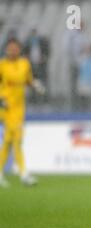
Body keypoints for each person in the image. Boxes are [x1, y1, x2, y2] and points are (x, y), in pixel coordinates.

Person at [0, 38, 45, 187]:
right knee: (17, 141)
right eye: (10, 48)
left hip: (19, 108)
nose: (12, 50)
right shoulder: (2, 65)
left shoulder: (25, 64)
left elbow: (28, 80)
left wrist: (36, 85)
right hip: (6, 107)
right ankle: (24, 174)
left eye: (15, 48)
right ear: (6, 50)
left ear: (19, 49)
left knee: (7, 142)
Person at [23, 28, 51, 103]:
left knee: (42, 82)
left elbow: (47, 52)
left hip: (41, 65)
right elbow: (24, 53)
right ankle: (34, 99)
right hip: (31, 66)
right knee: (33, 82)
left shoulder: (42, 42)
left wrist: (43, 58)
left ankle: (44, 98)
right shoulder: (27, 43)